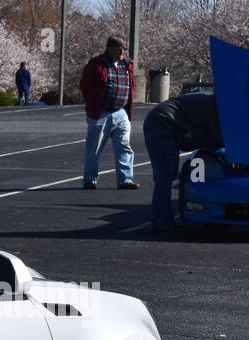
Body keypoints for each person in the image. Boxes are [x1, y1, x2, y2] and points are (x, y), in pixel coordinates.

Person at [143, 91, 222, 233]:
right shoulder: (218, 111)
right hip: (162, 123)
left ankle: (159, 220)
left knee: (165, 176)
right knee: (166, 175)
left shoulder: (219, 105)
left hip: (169, 121)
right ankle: (163, 223)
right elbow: (216, 143)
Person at [79, 36, 139, 190]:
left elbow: (131, 85)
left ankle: (125, 179)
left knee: (124, 147)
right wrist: (93, 102)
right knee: (94, 148)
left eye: (124, 49)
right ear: (110, 48)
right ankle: (90, 179)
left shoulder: (127, 64)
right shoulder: (97, 64)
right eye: (120, 49)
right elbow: (85, 86)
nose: (123, 52)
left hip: (121, 112)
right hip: (101, 113)